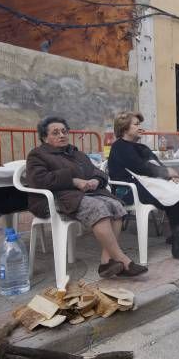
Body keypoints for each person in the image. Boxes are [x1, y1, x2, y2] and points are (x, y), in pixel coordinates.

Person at [26, 117, 146, 278]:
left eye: (64, 131)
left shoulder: (75, 153)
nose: (62, 135)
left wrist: (96, 180)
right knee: (98, 207)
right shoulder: (37, 155)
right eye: (55, 133)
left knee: (117, 205)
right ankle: (122, 260)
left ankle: (106, 262)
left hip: (82, 195)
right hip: (56, 198)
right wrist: (73, 180)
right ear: (44, 137)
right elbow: (40, 180)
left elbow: (97, 172)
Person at [107, 112, 179, 262]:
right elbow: (141, 167)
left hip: (146, 183)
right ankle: (178, 247)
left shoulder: (140, 147)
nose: (140, 127)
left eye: (139, 124)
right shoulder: (120, 147)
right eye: (136, 124)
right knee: (176, 198)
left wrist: (171, 177)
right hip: (128, 190)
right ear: (124, 128)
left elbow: (156, 164)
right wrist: (166, 173)